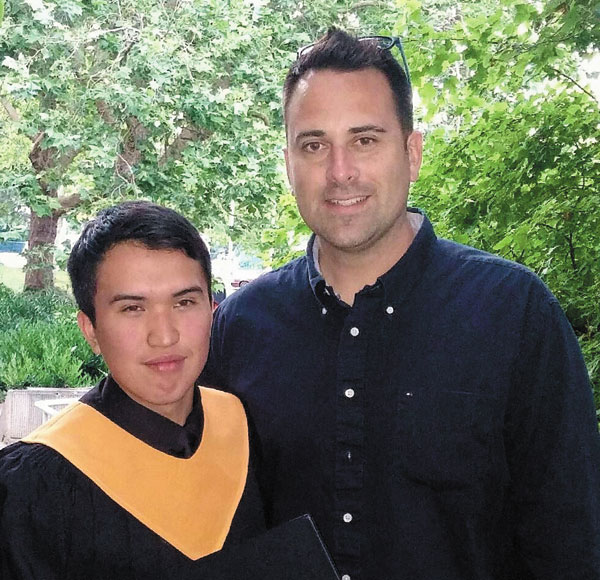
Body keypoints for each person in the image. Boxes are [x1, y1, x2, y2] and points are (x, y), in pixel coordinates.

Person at [202, 28, 600, 580]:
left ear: (411, 154)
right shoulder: (243, 328)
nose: (340, 171)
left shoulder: (514, 314)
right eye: (314, 144)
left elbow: (569, 540)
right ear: (289, 161)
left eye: (365, 140)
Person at [0, 201, 266, 579]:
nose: (165, 336)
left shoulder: (242, 425)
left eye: (185, 302)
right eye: (132, 308)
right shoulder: (34, 486)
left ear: (212, 309)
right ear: (90, 329)